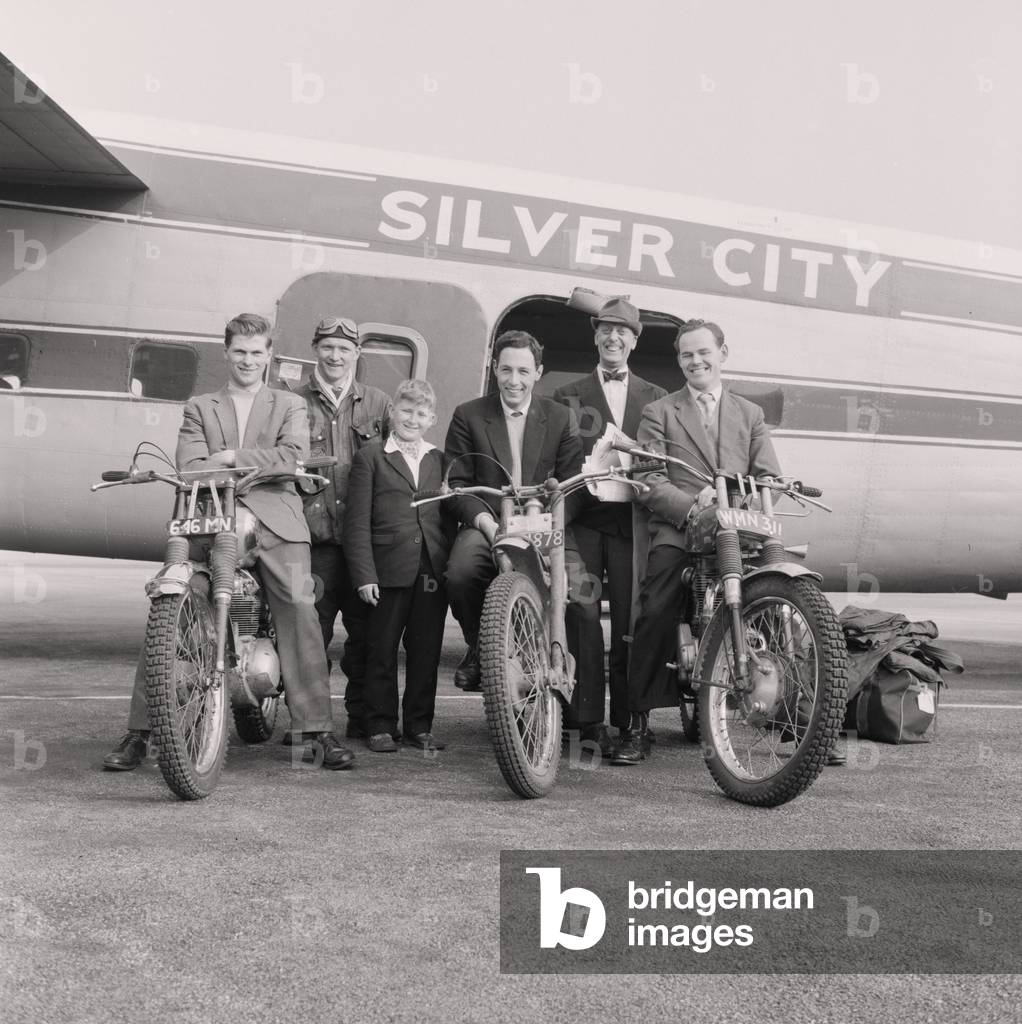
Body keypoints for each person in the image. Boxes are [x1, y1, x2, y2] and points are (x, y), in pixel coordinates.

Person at [103, 313, 355, 771]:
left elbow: (293, 458)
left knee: (300, 607)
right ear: (226, 352)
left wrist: (231, 457)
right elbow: (191, 466)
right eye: (240, 351)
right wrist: (250, 466)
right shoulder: (201, 406)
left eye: (257, 352)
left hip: (277, 521)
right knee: (171, 601)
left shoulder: (288, 404)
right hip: (210, 519)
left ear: (269, 355)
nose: (248, 360)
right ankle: (141, 730)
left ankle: (317, 729)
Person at [611, 319, 782, 765]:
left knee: (783, 604)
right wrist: (692, 506)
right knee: (653, 608)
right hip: (681, 529)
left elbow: (771, 479)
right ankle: (637, 723)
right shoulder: (660, 412)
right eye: (686, 354)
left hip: (739, 530)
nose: (695, 361)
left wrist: (744, 498)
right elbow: (646, 478)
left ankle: (801, 717)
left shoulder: (751, 414)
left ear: (722, 353)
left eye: (703, 352)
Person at [552, 298, 666, 756]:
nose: (613, 338)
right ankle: (586, 722)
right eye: (605, 330)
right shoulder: (566, 394)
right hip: (583, 520)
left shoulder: (657, 398)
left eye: (623, 331)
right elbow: (559, 459)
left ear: (634, 340)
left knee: (630, 620)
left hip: (632, 525)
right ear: (595, 336)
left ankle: (632, 722)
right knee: (581, 615)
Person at [444, 330, 583, 690]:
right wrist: (489, 526)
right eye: (506, 370)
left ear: (538, 372)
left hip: (546, 525)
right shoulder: (468, 415)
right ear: (494, 369)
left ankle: (567, 683)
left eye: (523, 371)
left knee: (578, 589)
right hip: (489, 520)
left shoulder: (560, 418)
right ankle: (482, 648)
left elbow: (575, 486)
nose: (514, 381)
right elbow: (457, 485)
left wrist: (551, 520)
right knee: (461, 573)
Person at [293, 316, 391, 740]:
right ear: (315, 348)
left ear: (357, 355)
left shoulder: (378, 404)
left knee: (368, 635)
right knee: (310, 635)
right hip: (313, 541)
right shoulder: (291, 403)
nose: (336, 356)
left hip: (365, 543)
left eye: (344, 349)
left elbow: (395, 468)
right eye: (328, 347)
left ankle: (362, 719)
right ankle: (312, 725)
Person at [344, 379, 453, 752]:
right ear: (392, 412)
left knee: (426, 652)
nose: (412, 418)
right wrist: (364, 575)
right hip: (386, 569)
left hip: (430, 570)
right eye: (406, 410)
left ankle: (420, 726)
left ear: (432, 418)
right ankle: (379, 724)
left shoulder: (439, 459)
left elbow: (447, 517)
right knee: (381, 648)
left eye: (421, 413)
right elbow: (356, 522)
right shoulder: (372, 456)